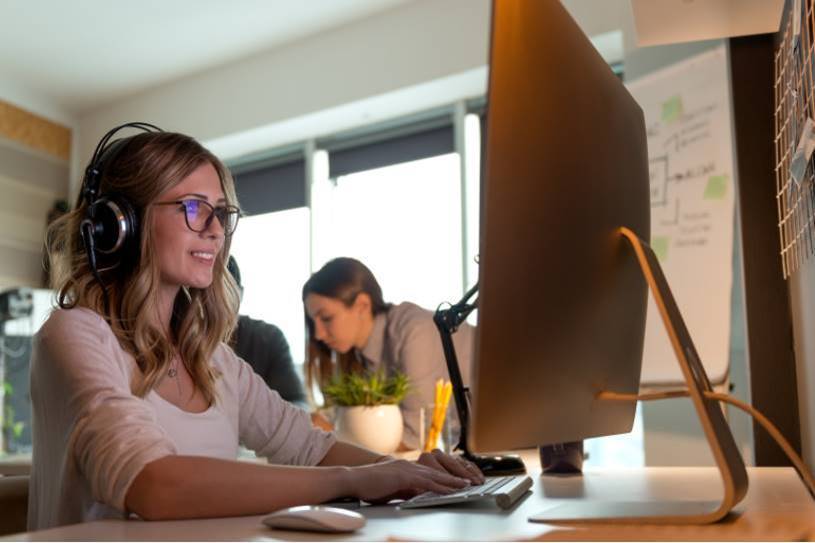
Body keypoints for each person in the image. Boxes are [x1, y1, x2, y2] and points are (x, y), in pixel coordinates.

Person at [30, 125, 484, 530]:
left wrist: (408, 472)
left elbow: (308, 447)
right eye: (192, 206)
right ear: (120, 224)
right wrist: (356, 479)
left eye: (221, 213)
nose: (214, 230)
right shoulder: (76, 334)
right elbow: (153, 484)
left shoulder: (213, 359)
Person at [302, 257, 475, 450]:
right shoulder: (359, 358)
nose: (317, 334)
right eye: (313, 321)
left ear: (362, 305)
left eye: (326, 318)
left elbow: (415, 441)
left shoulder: (414, 330)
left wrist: (336, 433)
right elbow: (323, 421)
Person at [226, 255, 308, 409]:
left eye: (225, 295)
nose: (214, 306)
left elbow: (297, 403)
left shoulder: (267, 339)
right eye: (204, 295)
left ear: (240, 294)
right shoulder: (179, 342)